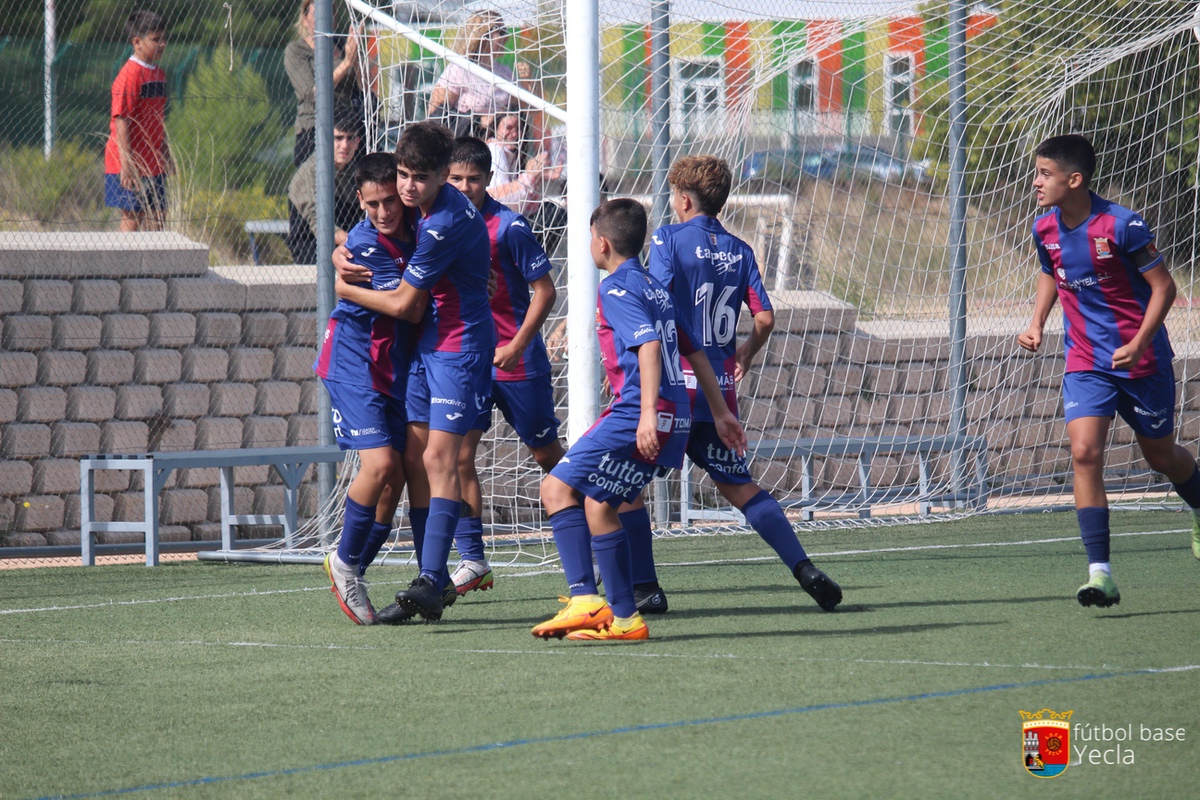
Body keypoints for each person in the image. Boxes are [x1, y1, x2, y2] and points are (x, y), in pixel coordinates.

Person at [532, 198, 747, 642]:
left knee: (554, 487)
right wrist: (722, 410)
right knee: (598, 504)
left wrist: (646, 414)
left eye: (590, 236)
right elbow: (695, 352)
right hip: (676, 413)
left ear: (603, 243)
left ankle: (586, 601)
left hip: (637, 412)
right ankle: (626, 618)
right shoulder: (655, 287)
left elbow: (649, 346)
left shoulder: (615, 288)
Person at [637, 155, 843, 614]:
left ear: (684, 199)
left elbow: (656, 302)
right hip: (718, 396)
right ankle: (803, 567)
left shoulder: (668, 238)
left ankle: (645, 588)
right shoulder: (741, 249)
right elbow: (765, 319)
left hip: (674, 388)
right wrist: (744, 354)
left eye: (673, 197)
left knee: (628, 487)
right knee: (742, 488)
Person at [1018, 133, 1200, 608]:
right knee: (1084, 452)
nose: (1036, 182)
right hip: (1085, 362)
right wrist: (1036, 322)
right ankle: (1101, 574)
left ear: (1074, 179)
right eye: (1037, 172)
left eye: (1045, 174)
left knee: (1161, 458)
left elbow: (1164, 288)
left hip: (1144, 364)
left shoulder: (1122, 225)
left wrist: (1139, 343)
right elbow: (1050, 271)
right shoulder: (1044, 228)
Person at [334, 121, 493, 624]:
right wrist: (342, 249)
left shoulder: (442, 219)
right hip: (425, 348)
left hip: (457, 345)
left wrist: (340, 285)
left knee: (440, 459)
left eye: (419, 177)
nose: (405, 187)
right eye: (402, 174)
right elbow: (367, 230)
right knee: (415, 462)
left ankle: (428, 577)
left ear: (445, 175)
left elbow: (405, 304)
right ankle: (429, 578)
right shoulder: (411, 213)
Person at [437, 136, 565, 598]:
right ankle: (473, 560)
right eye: (456, 178)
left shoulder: (509, 227)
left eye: (473, 179)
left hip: (517, 362)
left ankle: (596, 527)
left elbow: (545, 291)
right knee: (458, 455)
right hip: (468, 361)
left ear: (490, 180)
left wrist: (516, 344)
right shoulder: (437, 224)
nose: (465, 186)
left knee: (546, 454)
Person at [314, 152, 416, 625]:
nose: (383, 212)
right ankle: (345, 562)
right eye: (373, 203)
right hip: (354, 364)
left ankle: (352, 567)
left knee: (394, 479)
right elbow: (406, 308)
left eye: (390, 201)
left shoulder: (418, 224)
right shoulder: (364, 246)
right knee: (378, 465)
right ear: (359, 200)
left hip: (391, 368)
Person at [104, 9, 174, 233]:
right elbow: (121, 120)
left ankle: (151, 268)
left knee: (159, 217)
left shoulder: (159, 73)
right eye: (156, 39)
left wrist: (165, 153)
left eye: (164, 38)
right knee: (133, 217)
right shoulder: (130, 75)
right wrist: (127, 164)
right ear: (137, 42)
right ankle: (122, 268)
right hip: (130, 163)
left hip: (153, 162)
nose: (162, 44)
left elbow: (157, 119)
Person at [284, 0, 365, 167]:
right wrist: (347, 63)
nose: (323, 19)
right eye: (316, 15)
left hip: (348, 127)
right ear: (305, 19)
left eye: (329, 14)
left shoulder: (344, 45)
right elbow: (311, 93)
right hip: (315, 127)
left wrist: (356, 60)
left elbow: (362, 87)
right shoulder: (296, 50)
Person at [426, 10, 529, 139]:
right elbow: (436, 113)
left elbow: (524, 109)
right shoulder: (460, 68)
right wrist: (478, 121)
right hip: (466, 143)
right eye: (501, 31)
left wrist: (527, 81)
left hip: (499, 147)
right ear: (483, 35)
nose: (506, 37)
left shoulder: (505, 72)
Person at [487, 112, 567, 256]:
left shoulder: (509, 155)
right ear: (495, 128)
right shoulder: (495, 151)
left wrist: (537, 177)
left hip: (504, 221)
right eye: (508, 127)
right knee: (552, 214)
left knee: (552, 211)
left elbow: (519, 201)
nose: (514, 133)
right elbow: (496, 198)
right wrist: (529, 176)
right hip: (494, 225)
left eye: (518, 128)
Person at [286, 114, 363, 264]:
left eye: (350, 138)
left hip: (348, 246)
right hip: (311, 247)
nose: (344, 145)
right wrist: (355, 243)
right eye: (338, 138)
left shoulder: (355, 173)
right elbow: (318, 222)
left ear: (357, 142)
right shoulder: (312, 171)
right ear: (327, 139)